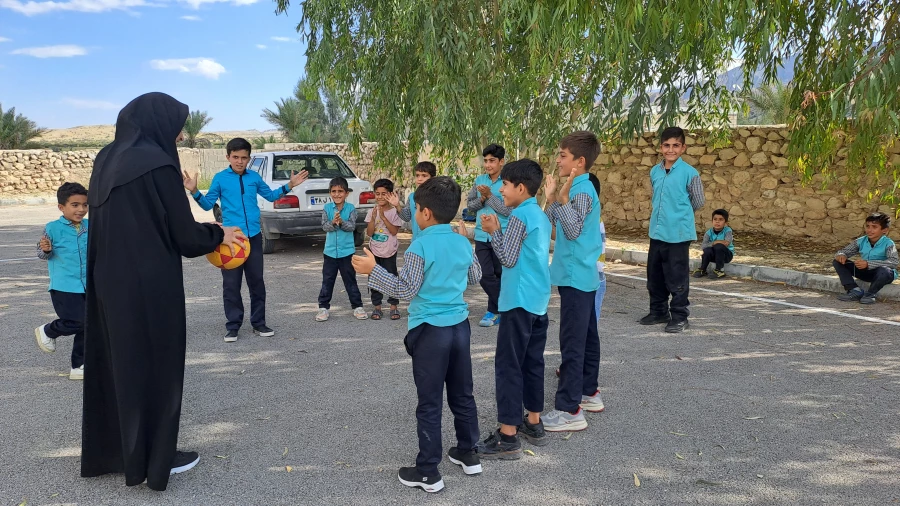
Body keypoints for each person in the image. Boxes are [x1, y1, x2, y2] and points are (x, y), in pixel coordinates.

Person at [81, 92, 244, 491]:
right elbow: (184, 236)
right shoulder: (156, 162)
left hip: (107, 281)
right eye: (177, 128)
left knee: (118, 364)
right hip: (149, 285)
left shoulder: (105, 159)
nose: (180, 136)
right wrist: (218, 233)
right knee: (156, 367)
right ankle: (157, 459)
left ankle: (115, 454)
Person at [352, 176, 482, 493]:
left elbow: (406, 289)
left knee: (429, 402)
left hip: (430, 331)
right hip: (459, 327)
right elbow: (475, 277)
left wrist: (373, 270)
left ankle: (427, 472)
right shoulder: (462, 242)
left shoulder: (420, 246)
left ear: (424, 212)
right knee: (463, 394)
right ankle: (468, 453)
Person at [184, 137, 307, 342]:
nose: (240, 161)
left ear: (249, 158)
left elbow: (270, 196)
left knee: (256, 282)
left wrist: (290, 185)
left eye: (244, 158)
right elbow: (207, 205)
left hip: (254, 237)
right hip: (231, 239)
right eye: (235, 157)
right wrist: (195, 191)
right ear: (228, 157)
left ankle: (259, 323)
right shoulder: (220, 178)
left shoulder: (254, 177)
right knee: (231, 285)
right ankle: (233, 325)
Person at [476, 159, 551, 459]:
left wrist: (494, 231)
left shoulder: (520, 215)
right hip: (537, 300)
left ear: (520, 188)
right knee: (533, 361)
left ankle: (508, 435)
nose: (501, 190)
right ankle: (533, 422)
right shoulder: (539, 214)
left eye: (505, 185)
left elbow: (507, 258)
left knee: (508, 365)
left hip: (517, 300)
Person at [541, 131, 604, 433]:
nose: (558, 160)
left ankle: (569, 409)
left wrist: (562, 200)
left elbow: (573, 229)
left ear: (579, 161)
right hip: (580, 274)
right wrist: (554, 198)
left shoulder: (581, 190)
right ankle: (589, 392)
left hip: (576, 275)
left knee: (573, 342)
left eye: (562, 155)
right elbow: (558, 222)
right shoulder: (578, 187)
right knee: (587, 336)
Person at [639, 126, 705, 333]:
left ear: (683, 148)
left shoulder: (690, 173)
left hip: (678, 234)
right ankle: (658, 311)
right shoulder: (655, 171)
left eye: (676, 145)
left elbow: (698, 201)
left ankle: (679, 317)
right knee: (655, 275)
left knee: (677, 278)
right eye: (667, 145)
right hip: (657, 232)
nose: (671, 149)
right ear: (661, 147)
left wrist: (679, 215)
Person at [34, 182, 89, 381]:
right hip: (64, 286)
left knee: (89, 325)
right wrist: (46, 249)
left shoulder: (90, 226)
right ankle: (48, 330)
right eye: (75, 205)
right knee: (78, 321)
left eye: (84, 205)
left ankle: (79, 365)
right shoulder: (52, 228)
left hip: (89, 285)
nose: (81, 209)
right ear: (61, 207)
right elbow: (42, 253)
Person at [465, 144, 511, 327]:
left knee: (500, 274)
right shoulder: (480, 180)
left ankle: (493, 312)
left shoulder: (508, 181)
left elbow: (507, 210)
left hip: (501, 234)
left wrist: (490, 196)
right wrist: (483, 198)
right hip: (481, 235)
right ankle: (506, 306)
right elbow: (470, 206)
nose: (488, 165)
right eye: (485, 161)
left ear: (501, 161)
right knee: (484, 274)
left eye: (492, 160)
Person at [316, 176, 367, 321]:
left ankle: (357, 306)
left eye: (340, 191)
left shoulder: (351, 209)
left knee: (350, 279)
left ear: (346, 193)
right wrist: (333, 222)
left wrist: (341, 222)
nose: (337, 194)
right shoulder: (327, 208)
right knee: (327, 280)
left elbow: (351, 227)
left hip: (347, 252)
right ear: (330, 193)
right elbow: (324, 226)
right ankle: (323, 307)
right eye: (334, 191)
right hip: (330, 252)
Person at [833, 212, 898, 304]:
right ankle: (854, 290)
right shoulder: (861, 241)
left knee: (884, 270)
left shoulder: (889, 243)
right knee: (837, 262)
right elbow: (844, 251)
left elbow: (894, 262)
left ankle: (870, 294)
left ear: (884, 230)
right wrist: (841, 255)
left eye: (874, 227)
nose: (869, 230)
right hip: (865, 272)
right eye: (868, 226)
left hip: (882, 275)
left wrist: (868, 264)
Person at [365, 178, 404, 320]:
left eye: (384, 194)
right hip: (374, 250)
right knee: (374, 277)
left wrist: (383, 218)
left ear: (390, 194)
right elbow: (370, 233)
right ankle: (377, 307)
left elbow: (394, 231)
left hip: (389, 250)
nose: (380, 197)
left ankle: (394, 306)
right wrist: (373, 218)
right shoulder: (371, 211)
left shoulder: (394, 212)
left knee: (392, 276)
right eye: (377, 194)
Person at [389, 161, 436, 241]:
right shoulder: (412, 197)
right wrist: (397, 205)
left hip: (432, 240)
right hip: (416, 241)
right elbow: (406, 217)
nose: (419, 179)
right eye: (417, 175)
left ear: (433, 178)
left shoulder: (438, 197)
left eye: (424, 175)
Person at [694, 209, 734, 279]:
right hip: (714, 256)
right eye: (715, 219)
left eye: (720, 219)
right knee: (707, 250)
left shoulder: (728, 230)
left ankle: (719, 270)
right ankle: (702, 269)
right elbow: (703, 246)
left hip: (726, 256)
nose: (717, 221)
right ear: (712, 221)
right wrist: (714, 242)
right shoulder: (708, 233)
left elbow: (726, 243)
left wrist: (716, 243)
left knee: (719, 246)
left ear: (725, 222)